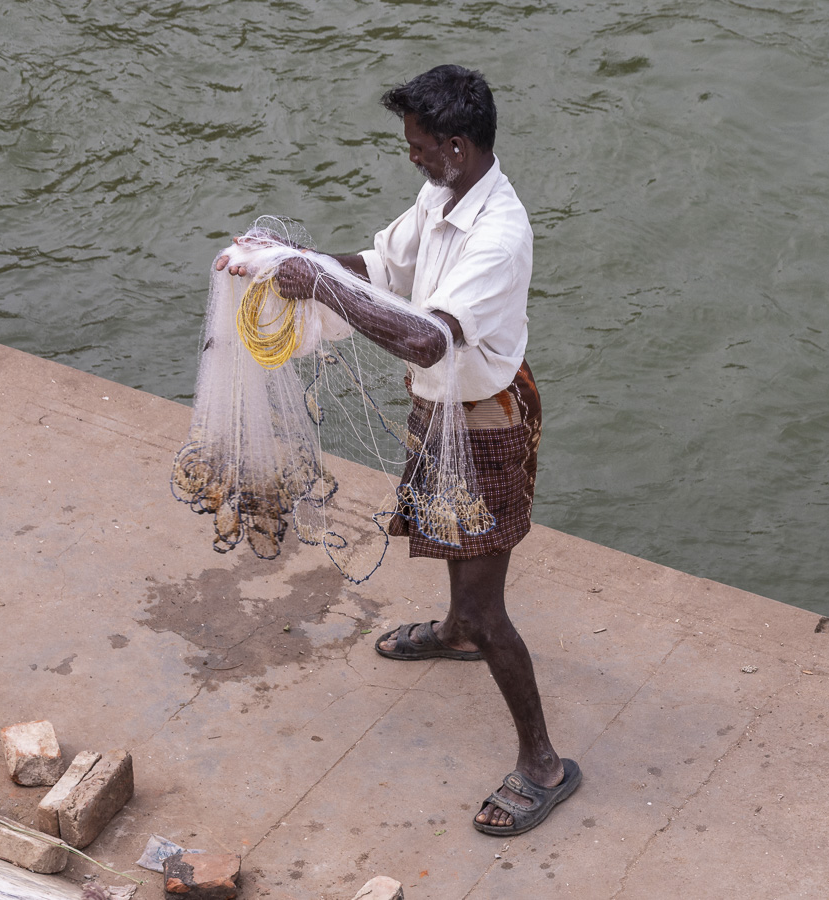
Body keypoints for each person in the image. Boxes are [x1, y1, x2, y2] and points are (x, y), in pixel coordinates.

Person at [215, 65, 579, 836]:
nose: (408, 156)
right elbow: (382, 270)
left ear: (455, 144)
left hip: (484, 418)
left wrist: (313, 284)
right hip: (441, 401)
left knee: (489, 608)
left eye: (417, 146)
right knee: (447, 534)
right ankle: (451, 635)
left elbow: (422, 336)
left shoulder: (500, 235)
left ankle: (542, 763)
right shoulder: (440, 194)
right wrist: (290, 260)